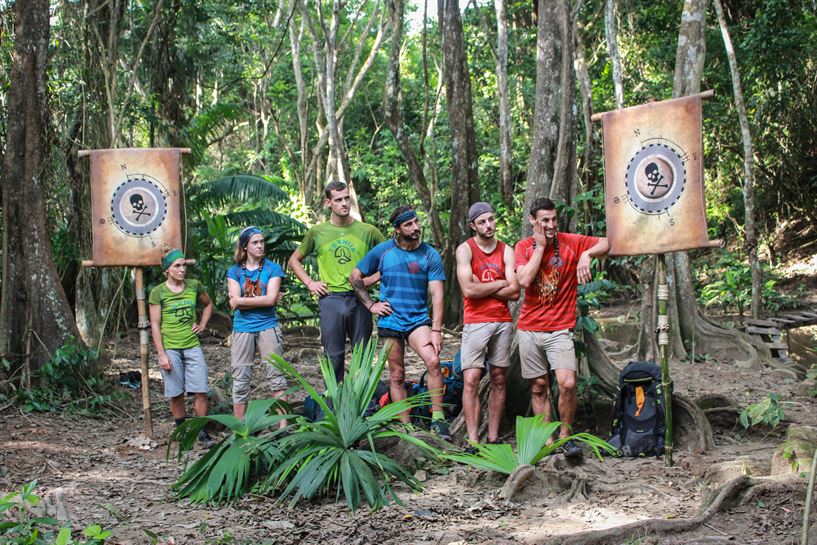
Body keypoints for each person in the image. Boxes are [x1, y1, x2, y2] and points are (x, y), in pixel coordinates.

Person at [515, 197, 609, 458]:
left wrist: (587, 255)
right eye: (544, 220)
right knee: (538, 386)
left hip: (560, 328)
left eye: (554, 219)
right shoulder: (523, 247)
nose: (551, 224)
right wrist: (540, 248)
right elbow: (523, 279)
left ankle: (566, 436)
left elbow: (610, 241)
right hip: (529, 328)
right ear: (532, 221)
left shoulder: (571, 241)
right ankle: (548, 441)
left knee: (567, 383)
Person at [348, 205, 450, 440]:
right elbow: (355, 277)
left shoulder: (429, 254)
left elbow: (437, 294)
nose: (415, 228)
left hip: (417, 320)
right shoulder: (383, 252)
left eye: (416, 222)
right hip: (391, 320)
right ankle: (407, 429)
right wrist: (370, 304)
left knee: (433, 361)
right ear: (397, 229)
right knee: (396, 374)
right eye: (409, 224)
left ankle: (438, 419)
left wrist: (436, 330)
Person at [288, 181, 385, 381]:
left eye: (346, 198)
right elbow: (294, 260)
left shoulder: (369, 231)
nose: (344, 203)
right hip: (331, 299)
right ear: (328, 203)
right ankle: (333, 405)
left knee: (363, 357)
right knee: (333, 357)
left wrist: (369, 281)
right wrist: (310, 283)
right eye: (338, 200)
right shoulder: (317, 232)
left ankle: (364, 407)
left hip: (360, 300)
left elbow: (391, 261)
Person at [455, 202, 519, 452]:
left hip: (502, 322)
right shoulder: (465, 250)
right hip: (475, 321)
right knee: (471, 378)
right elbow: (468, 290)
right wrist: (500, 282)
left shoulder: (506, 250)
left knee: (499, 378)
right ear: (473, 226)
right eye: (482, 222)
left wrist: (483, 284)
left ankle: (493, 437)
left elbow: (514, 292)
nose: (489, 225)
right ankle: (473, 440)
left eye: (491, 220)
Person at [149, 248, 216, 447]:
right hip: (170, 346)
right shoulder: (158, 292)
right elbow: (155, 324)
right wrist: (161, 354)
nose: (182, 269)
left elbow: (208, 305)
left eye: (183, 265)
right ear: (167, 270)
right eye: (177, 266)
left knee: (201, 390)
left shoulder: (194, 286)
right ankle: (181, 431)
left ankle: (202, 432)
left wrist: (203, 325)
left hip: (192, 344)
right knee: (175, 392)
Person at [227, 226, 287, 421]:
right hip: (242, 329)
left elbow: (269, 300)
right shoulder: (234, 271)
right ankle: (241, 429)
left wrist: (240, 301)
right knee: (240, 379)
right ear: (245, 246)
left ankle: (283, 425)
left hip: (268, 326)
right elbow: (238, 304)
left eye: (262, 242)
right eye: (255, 242)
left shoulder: (273, 268)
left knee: (276, 377)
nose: (260, 246)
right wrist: (259, 301)